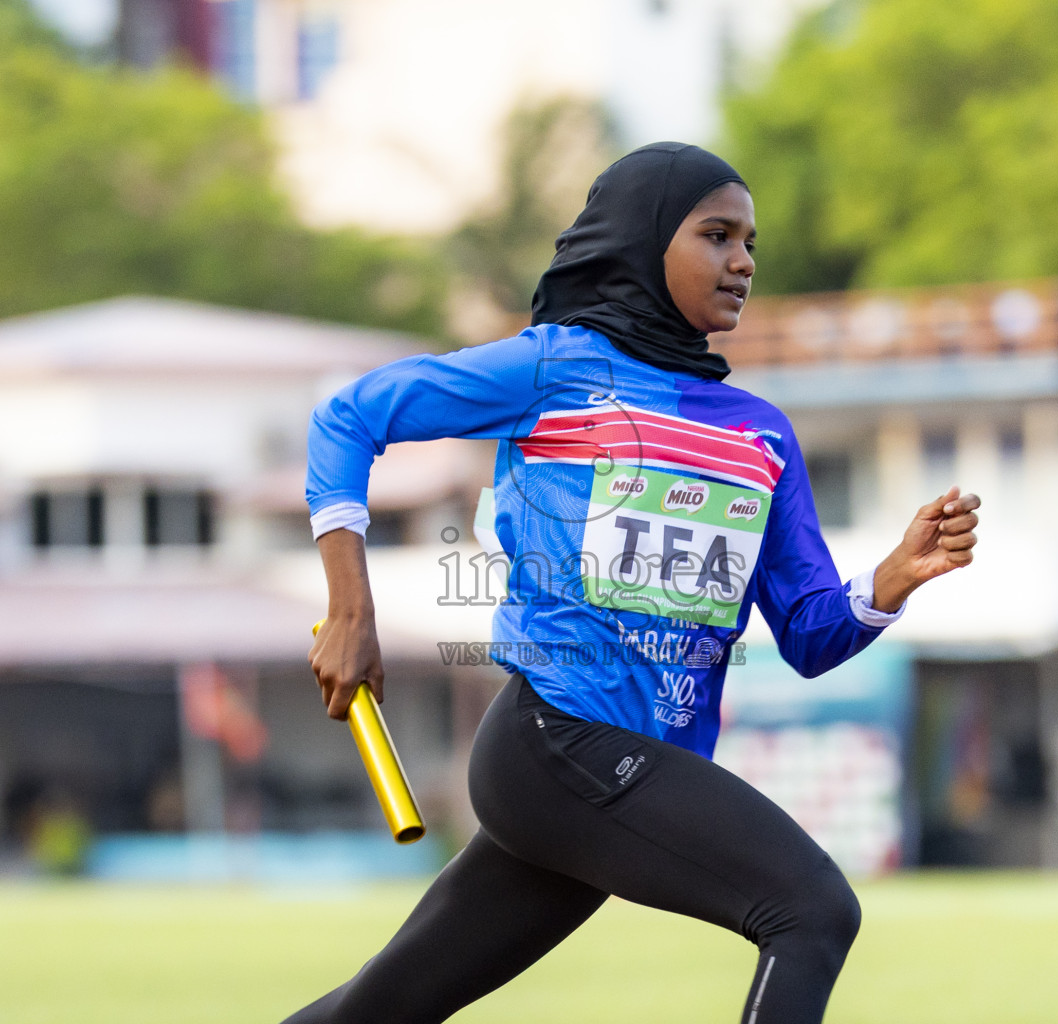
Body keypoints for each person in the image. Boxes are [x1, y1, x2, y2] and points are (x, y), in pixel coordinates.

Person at [290, 142, 980, 1024]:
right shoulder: (553, 369)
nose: (743, 262)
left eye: (751, 243)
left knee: (378, 1010)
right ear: (642, 240)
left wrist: (889, 581)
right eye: (717, 235)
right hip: (553, 741)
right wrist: (352, 610)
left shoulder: (762, 434)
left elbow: (809, 634)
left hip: (619, 767)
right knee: (811, 909)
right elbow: (347, 420)